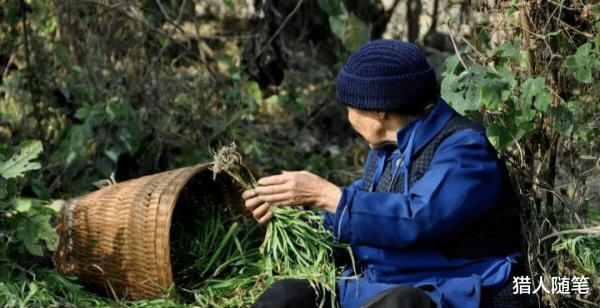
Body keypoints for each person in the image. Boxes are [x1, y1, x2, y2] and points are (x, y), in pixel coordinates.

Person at [242, 39, 538, 308]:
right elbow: (365, 210)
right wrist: (293, 213)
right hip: (377, 282)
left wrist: (325, 195)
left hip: (451, 286)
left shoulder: (465, 149)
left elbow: (417, 217)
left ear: (379, 111)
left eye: (350, 107)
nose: (348, 117)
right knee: (286, 297)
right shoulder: (385, 150)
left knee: (399, 303)